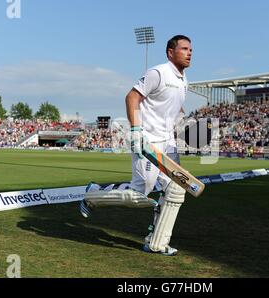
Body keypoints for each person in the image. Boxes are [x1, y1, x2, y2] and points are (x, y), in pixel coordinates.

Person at [80, 35, 193, 256]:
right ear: (171, 52)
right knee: (139, 194)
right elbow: (132, 97)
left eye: (191, 49)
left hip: (167, 143)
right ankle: (92, 195)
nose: (189, 52)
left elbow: (174, 109)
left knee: (176, 189)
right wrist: (136, 131)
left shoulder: (184, 80)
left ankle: (157, 243)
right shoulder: (158, 73)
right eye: (184, 48)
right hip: (148, 140)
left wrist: (185, 126)